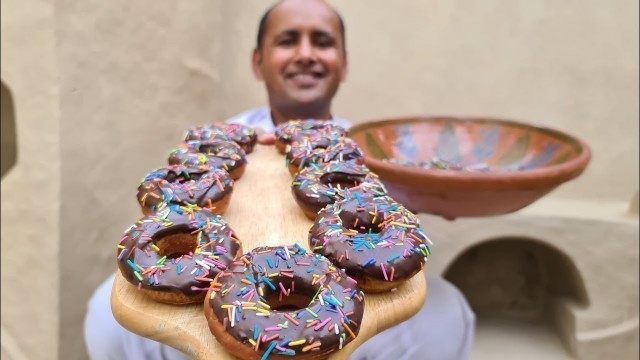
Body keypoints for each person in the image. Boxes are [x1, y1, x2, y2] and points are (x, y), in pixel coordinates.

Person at [84, 1, 475, 359]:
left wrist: (440, 196)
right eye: (288, 41)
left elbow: (397, 216)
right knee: (104, 312)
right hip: (221, 300)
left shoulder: (367, 151)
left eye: (322, 42)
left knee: (448, 314)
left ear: (343, 62)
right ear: (259, 61)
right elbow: (162, 216)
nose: (306, 54)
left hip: (349, 300)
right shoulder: (221, 138)